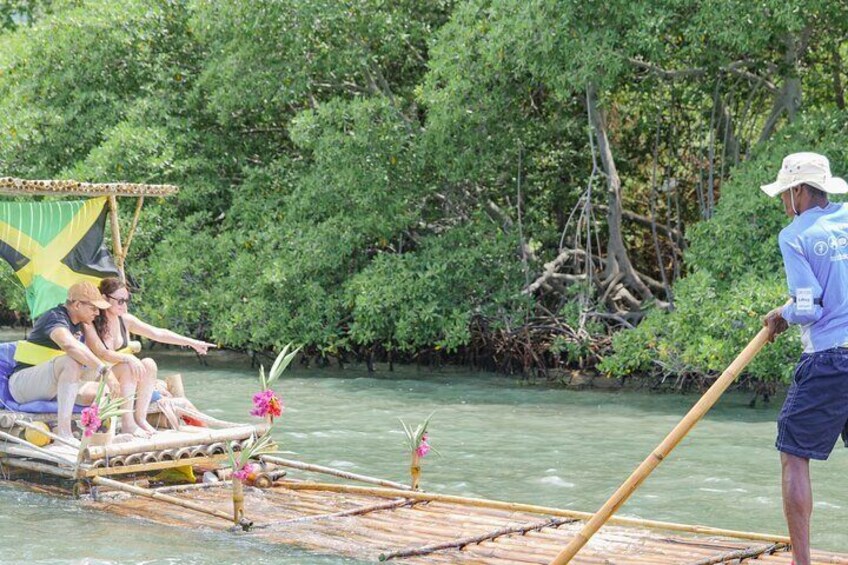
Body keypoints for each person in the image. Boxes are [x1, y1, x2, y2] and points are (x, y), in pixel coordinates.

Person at [761, 152, 848, 565]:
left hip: (831, 358)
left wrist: (783, 314)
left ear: (798, 192)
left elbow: (810, 307)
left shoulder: (794, 234)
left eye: (784, 194)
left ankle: (801, 562)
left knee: (794, 453)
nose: (783, 202)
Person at [79, 277, 216, 436]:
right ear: (104, 299)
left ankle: (140, 419)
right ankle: (128, 424)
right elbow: (102, 353)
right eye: (120, 301)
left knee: (149, 363)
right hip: (99, 379)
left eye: (127, 300)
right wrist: (128, 358)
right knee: (129, 366)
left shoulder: (125, 320)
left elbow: (158, 333)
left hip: (123, 378)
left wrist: (192, 342)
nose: (125, 305)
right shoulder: (90, 322)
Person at [8, 281, 113, 445]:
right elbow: (69, 345)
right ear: (77, 304)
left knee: (100, 389)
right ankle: (64, 434)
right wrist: (102, 369)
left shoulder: (80, 324)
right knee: (71, 361)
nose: (98, 312)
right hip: (22, 384)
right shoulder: (55, 317)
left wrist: (109, 374)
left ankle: (115, 430)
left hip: (49, 386)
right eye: (93, 308)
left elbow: (101, 352)